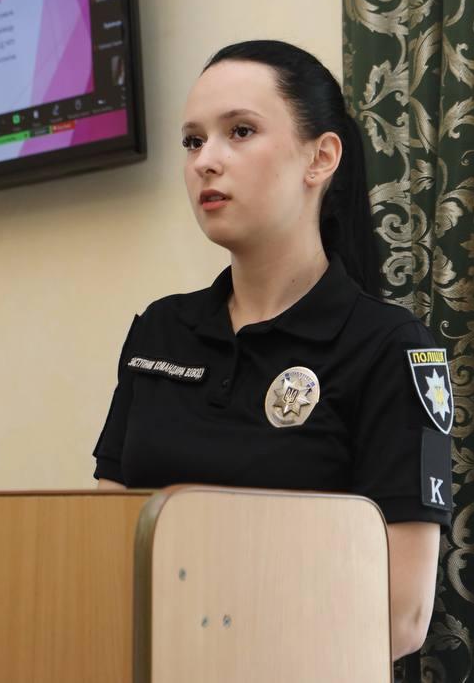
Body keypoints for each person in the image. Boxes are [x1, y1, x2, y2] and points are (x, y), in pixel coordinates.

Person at [91, 40, 454, 661]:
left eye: (240, 131)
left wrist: (209, 653)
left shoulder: (392, 349)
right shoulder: (159, 331)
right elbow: (104, 552)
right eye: (193, 141)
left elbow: (401, 616)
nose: (206, 161)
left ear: (321, 158)